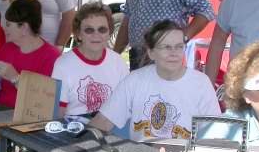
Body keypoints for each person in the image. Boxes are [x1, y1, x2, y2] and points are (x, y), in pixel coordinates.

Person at [90, 20, 220, 141]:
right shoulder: (135, 80)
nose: (174, 53)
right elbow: (103, 122)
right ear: (151, 52)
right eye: (166, 47)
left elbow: (214, 134)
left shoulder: (201, 83)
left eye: (179, 46)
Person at [0, 0, 61, 108]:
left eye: (8, 24)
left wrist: (16, 78)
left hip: (27, 119)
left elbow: (46, 101)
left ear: (24, 27)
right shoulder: (6, 49)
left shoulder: (51, 58)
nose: (4, 27)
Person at [52, 1, 128, 116]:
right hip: (74, 129)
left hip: (111, 127)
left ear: (109, 33)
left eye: (102, 29)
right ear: (78, 34)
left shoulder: (118, 62)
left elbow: (126, 105)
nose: (96, 35)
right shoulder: (63, 65)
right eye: (89, 30)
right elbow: (58, 113)